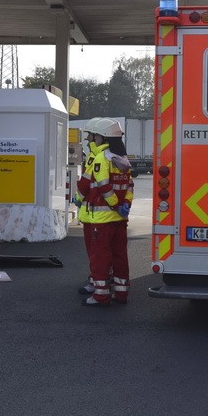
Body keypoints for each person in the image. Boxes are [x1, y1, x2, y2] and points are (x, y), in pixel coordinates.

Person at [73, 117, 134, 306]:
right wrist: (125, 206)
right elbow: (130, 186)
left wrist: (115, 204)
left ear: (102, 138)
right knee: (119, 255)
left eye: (93, 136)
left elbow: (103, 186)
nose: (90, 140)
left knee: (100, 256)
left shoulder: (101, 158)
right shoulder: (122, 159)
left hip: (102, 218)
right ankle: (121, 293)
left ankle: (100, 295)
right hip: (119, 218)